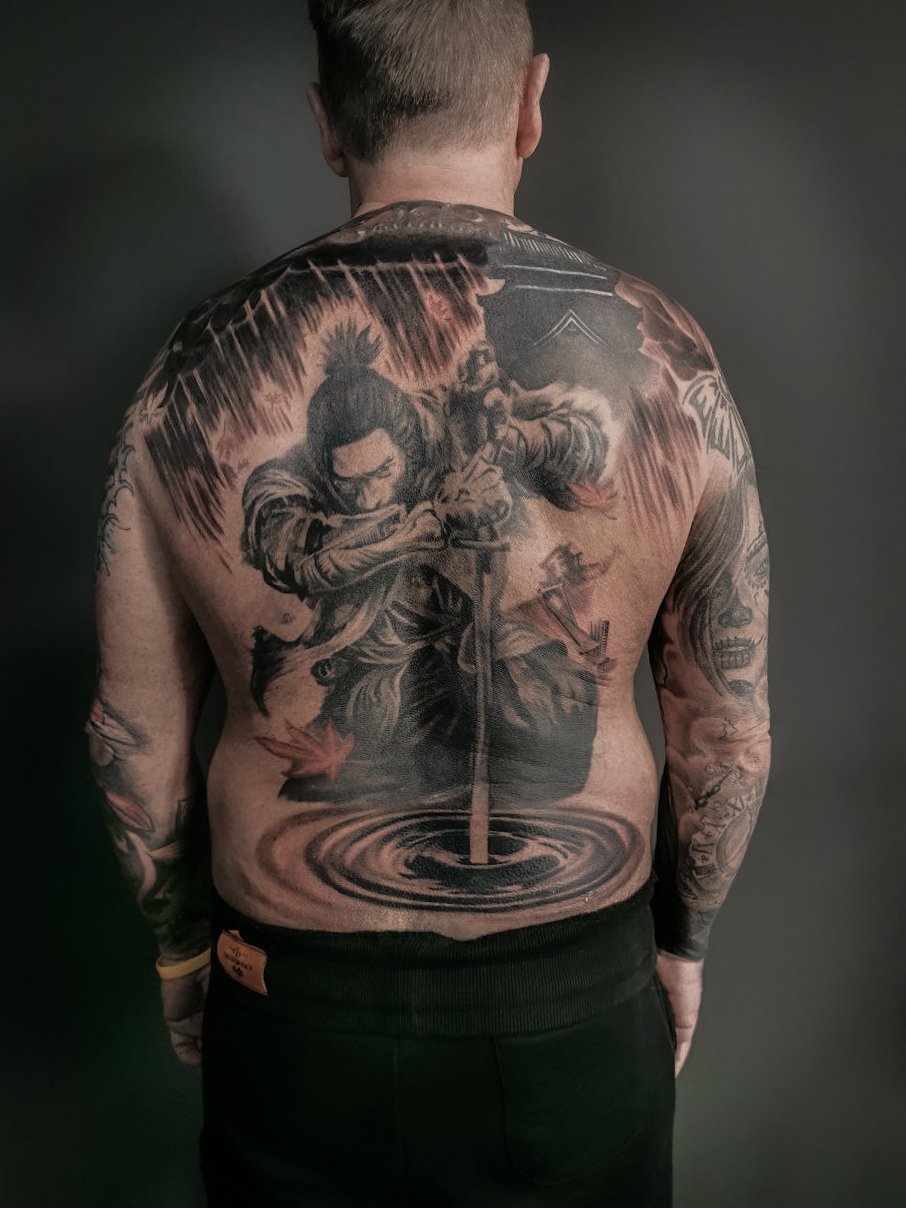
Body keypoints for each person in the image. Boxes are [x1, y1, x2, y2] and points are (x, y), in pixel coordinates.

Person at [86, 1, 771, 1204]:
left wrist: (184, 947)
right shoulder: (666, 361)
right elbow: (728, 729)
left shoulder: (191, 376)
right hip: (572, 1007)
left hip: (292, 1013)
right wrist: (681, 938)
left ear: (326, 123)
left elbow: (131, 736)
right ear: (530, 101)